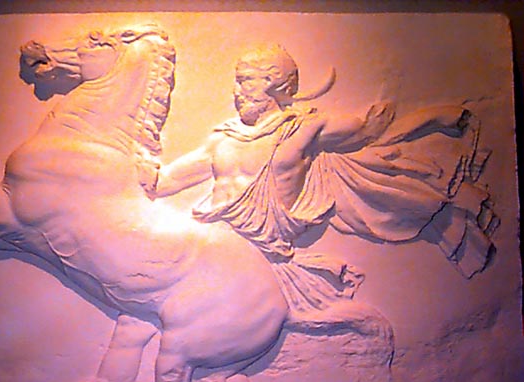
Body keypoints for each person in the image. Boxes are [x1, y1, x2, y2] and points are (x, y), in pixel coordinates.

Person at [139, 44, 496, 315]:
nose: (237, 90)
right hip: (214, 239)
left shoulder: (305, 129)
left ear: (274, 83)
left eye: (245, 80)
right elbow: (165, 182)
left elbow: (371, 133)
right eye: (237, 81)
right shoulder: (223, 138)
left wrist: (431, 117)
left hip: (263, 241)